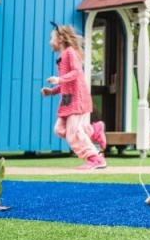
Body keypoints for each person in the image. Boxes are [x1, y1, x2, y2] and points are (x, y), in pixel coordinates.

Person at [41, 23, 108, 170]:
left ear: (60, 39)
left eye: (51, 38)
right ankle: (93, 130)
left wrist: (59, 79)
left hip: (77, 98)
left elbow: (76, 73)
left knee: (73, 133)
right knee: (59, 129)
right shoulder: (63, 56)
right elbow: (68, 82)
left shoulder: (70, 53)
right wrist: (52, 91)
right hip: (67, 99)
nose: (49, 42)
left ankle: (95, 158)